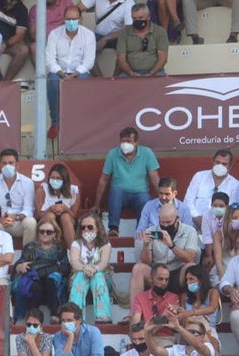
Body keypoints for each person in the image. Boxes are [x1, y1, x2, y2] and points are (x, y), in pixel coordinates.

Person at [93, 127, 160, 239]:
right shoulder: (112, 154)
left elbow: (155, 179)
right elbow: (103, 179)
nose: (125, 144)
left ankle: (141, 231)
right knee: (116, 191)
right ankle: (113, 229)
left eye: (128, 141)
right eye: (123, 141)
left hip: (140, 194)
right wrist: (97, 204)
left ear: (136, 142)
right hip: (120, 196)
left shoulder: (147, 153)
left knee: (145, 200)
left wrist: (163, 201)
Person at [44, 4, 93, 138]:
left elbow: (88, 62)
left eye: (74, 19)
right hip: (59, 71)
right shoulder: (54, 34)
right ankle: (55, 123)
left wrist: (75, 74)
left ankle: (80, 123)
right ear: (63, 19)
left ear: (81, 19)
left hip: (80, 72)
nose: (71, 22)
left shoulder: (89, 35)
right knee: (53, 83)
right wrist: (61, 73)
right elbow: (50, 60)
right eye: (68, 19)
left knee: (84, 82)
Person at [13, 219, 69, 325]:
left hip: (52, 279)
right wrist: (20, 266)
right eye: (41, 231)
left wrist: (52, 270)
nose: (45, 234)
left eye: (49, 232)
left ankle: (55, 314)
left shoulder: (60, 249)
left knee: (51, 280)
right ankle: (33, 317)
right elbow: (20, 263)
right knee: (34, 286)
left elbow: (65, 267)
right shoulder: (30, 247)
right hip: (35, 278)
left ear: (55, 233)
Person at [64, 212, 111, 323]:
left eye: (90, 227)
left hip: (102, 276)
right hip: (81, 275)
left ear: (98, 228)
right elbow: (74, 262)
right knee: (81, 275)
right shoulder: (76, 244)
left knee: (97, 276)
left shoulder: (105, 244)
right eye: (83, 227)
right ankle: (75, 317)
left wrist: (94, 269)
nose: (86, 230)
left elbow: (103, 263)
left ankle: (103, 316)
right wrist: (85, 268)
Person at [0, 148, 36, 246]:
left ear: (17, 165)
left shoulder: (27, 183)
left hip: (18, 222)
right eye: (4, 163)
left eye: (11, 163)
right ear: (0, 164)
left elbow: (28, 210)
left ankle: (27, 257)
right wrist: (0, 218)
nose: (7, 166)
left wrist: (15, 217)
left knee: (31, 222)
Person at [186, 150, 239, 231]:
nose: (220, 166)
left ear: (230, 166)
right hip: (194, 226)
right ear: (213, 161)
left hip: (219, 229)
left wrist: (212, 224)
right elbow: (188, 201)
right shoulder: (199, 176)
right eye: (218, 162)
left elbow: (231, 210)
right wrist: (196, 217)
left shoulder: (235, 185)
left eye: (224, 164)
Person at [116, 4, 166, 77]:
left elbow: (163, 58)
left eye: (141, 18)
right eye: (134, 18)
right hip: (129, 73)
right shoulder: (124, 33)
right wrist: (131, 73)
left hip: (156, 72)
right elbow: (121, 59)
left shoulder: (160, 32)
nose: (137, 21)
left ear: (148, 17)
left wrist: (151, 73)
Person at [37, 164, 81, 247]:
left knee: (65, 216)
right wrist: (50, 209)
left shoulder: (74, 191)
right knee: (50, 215)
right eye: (52, 178)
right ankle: (47, 251)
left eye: (58, 178)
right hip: (47, 222)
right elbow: (39, 214)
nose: (55, 180)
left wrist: (66, 209)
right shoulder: (42, 189)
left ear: (64, 179)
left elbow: (74, 216)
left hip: (67, 223)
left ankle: (73, 253)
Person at [0, 0, 30, 80]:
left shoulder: (22, 9)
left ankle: (5, 83)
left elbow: (20, 35)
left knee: (23, 50)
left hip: (6, 43)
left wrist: (5, 44)